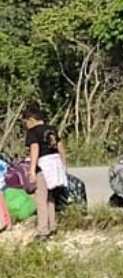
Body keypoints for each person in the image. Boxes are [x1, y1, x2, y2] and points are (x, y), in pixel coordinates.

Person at [22, 102, 68, 242]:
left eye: (25, 123)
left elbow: (34, 150)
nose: (26, 126)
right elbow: (61, 148)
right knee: (50, 198)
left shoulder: (33, 132)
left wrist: (31, 170)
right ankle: (52, 225)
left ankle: (42, 231)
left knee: (40, 199)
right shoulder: (52, 129)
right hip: (55, 165)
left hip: (43, 166)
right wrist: (63, 166)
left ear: (31, 119)